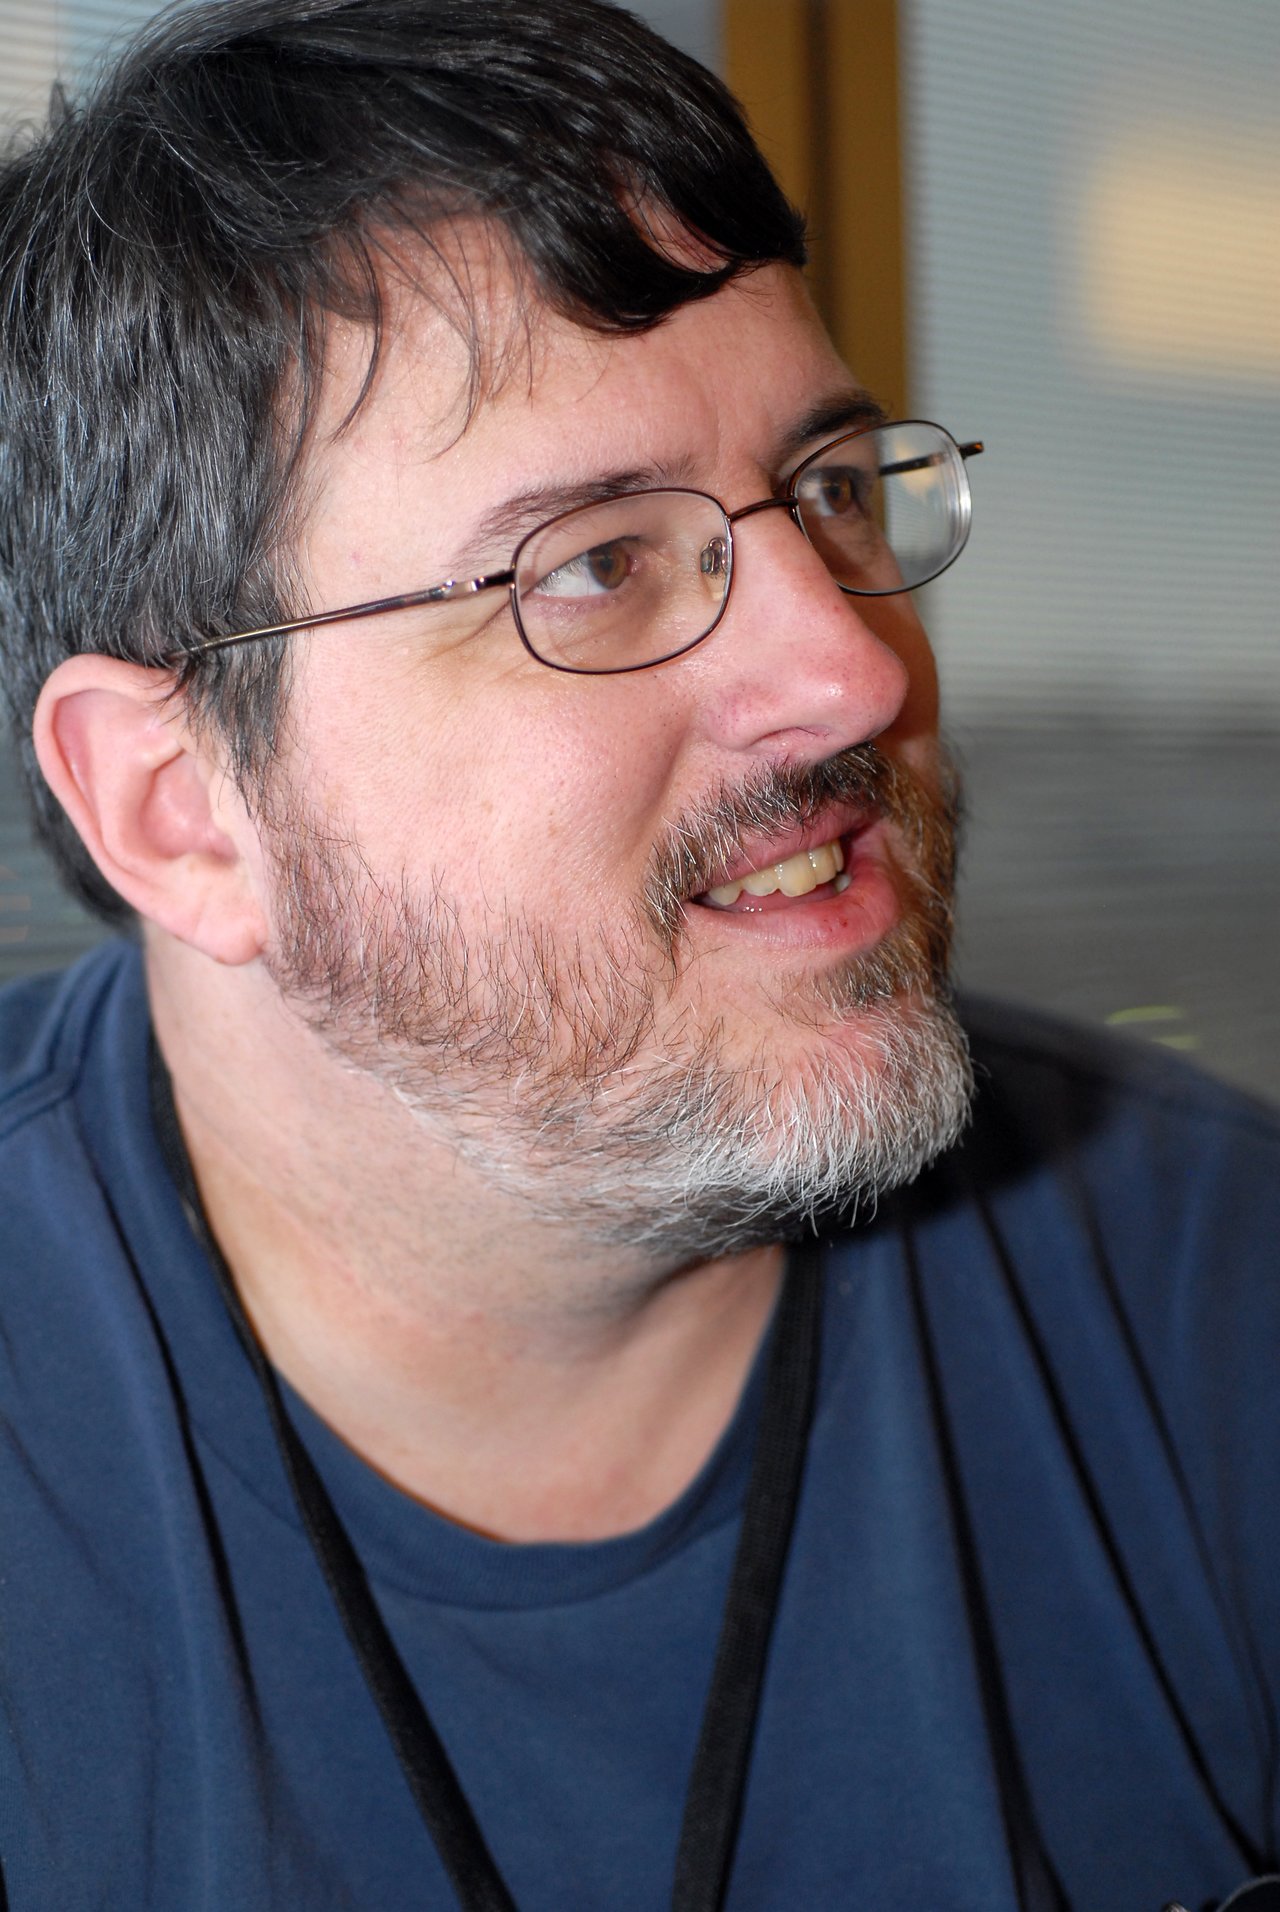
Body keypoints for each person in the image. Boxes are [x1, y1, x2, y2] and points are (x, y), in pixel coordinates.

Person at [0, 2, 1277, 1907]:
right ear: (181, 807)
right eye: (595, 563)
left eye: (832, 490)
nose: (852, 669)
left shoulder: (1215, 1292)